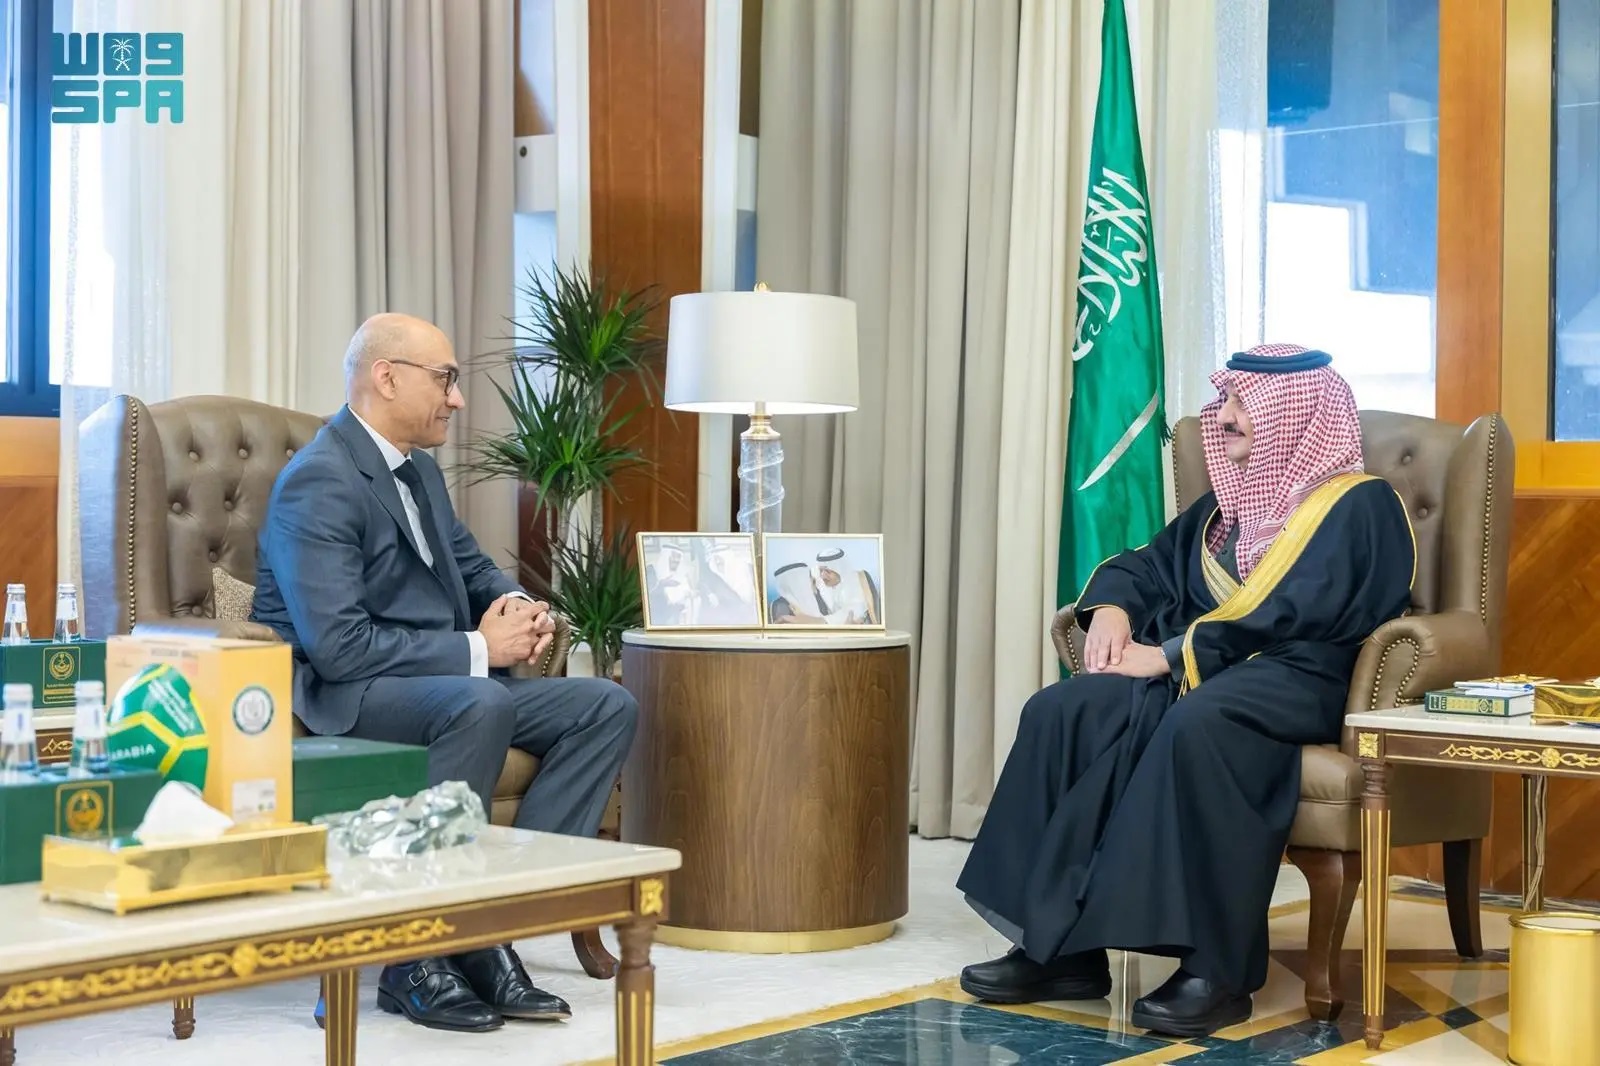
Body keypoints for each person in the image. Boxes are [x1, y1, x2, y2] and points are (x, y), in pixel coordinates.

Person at [956, 344, 1415, 1038]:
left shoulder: (1360, 504)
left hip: (1304, 676)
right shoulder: (1221, 513)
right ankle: (1058, 951)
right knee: (1062, 709)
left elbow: (1304, 609)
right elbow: (1145, 566)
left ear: (1293, 415)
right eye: (1224, 400)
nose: (1222, 417)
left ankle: (1215, 970)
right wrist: (1114, 611)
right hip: (1206, 672)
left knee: (1202, 724)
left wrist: (1173, 655)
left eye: (1240, 403)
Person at [252, 313, 638, 1034]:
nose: (457, 398)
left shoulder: (418, 470)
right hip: (347, 695)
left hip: (438, 685)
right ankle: (413, 955)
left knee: (604, 706)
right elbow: (339, 648)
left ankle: (490, 925)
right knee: (479, 703)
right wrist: (477, 650)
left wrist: (519, 607)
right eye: (446, 379)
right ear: (386, 377)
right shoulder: (318, 481)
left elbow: (471, 565)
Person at [813, 548, 881, 625]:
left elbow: (853, 612)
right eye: (821, 571)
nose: (823, 576)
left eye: (828, 571)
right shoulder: (819, 585)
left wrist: (822, 621)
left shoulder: (858, 580)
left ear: (840, 570)